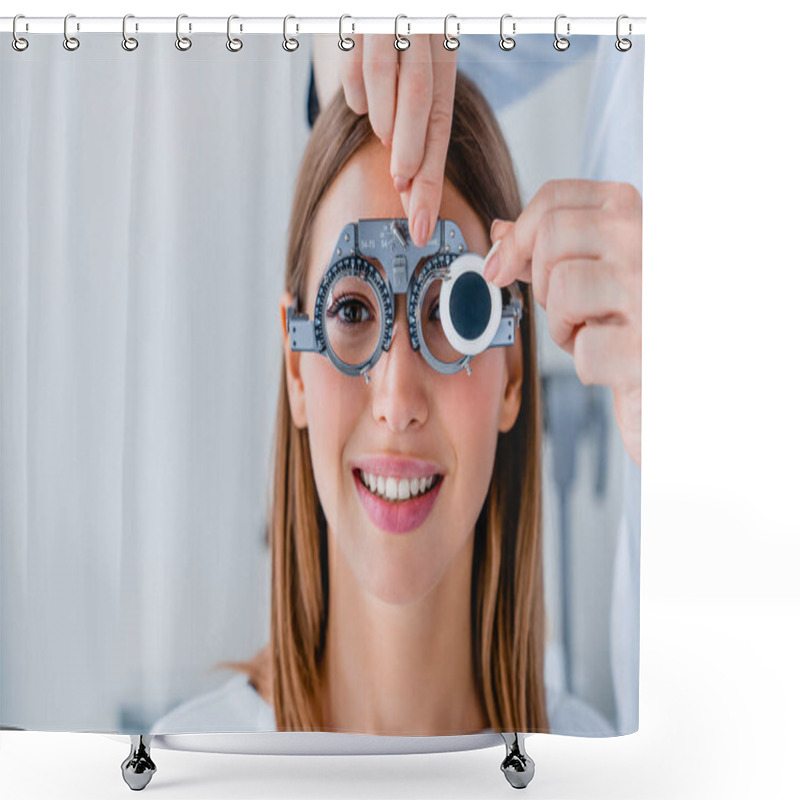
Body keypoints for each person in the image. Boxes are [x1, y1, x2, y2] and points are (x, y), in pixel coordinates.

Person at [151, 51, 638, 738]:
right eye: (351, 312)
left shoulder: (609, 772)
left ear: (514, 376)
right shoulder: (181, 767)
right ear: (296, 366)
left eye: (450, 312)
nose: (397, 397)